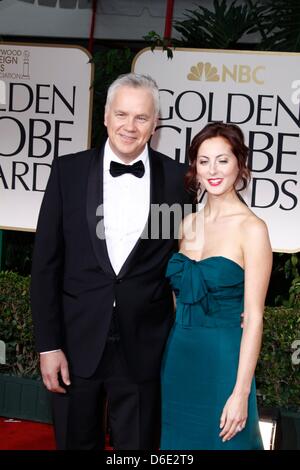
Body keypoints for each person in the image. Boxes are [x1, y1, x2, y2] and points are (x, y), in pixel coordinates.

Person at [31, 73, 192, 450]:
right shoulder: (67, 173)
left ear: (155, 125)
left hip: (145, 348)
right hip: (74, 343)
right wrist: (49, 345)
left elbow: (175, 258)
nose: (129, 126)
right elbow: (45, 265)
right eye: (121, 114)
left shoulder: (176, 181)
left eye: (141, 118)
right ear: (105, 116)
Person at [160, 122, 273, 450]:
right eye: (204, 160)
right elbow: (178, 298)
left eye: (223, 160)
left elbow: (254, 319)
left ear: (240, 164)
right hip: (178, 358)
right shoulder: (187, 223)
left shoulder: (252, 229)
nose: (213, 170)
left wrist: (240, 392)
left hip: (224, 363)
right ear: (194, 167)